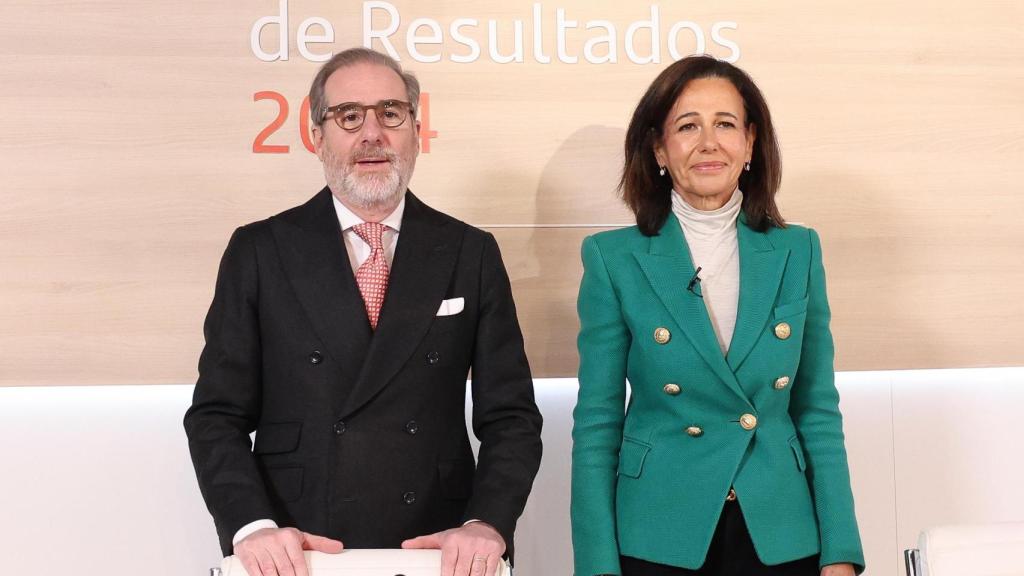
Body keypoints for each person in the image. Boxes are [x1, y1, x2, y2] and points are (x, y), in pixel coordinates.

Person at [184, 47, 543, 576]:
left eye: (391, 113)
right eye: (350, 116)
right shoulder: (260, 250)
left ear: (416, 132)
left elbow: (511, 416)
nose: (372, 133)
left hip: (434, 545)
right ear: (316, 134)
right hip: (298, 546)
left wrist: (486, 523)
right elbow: (217, 415)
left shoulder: (470, 252)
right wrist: (251, 527)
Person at [570, 55, 864, 576]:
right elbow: (597, 424)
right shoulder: (612, 259)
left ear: (750, 142)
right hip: (659, 532)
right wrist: (596, 565)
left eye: (725, 124)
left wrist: (840, 552)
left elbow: (818, 411)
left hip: (780, 531)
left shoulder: (800, 251)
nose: (709, 142)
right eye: (687, 126)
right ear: (659, 148)